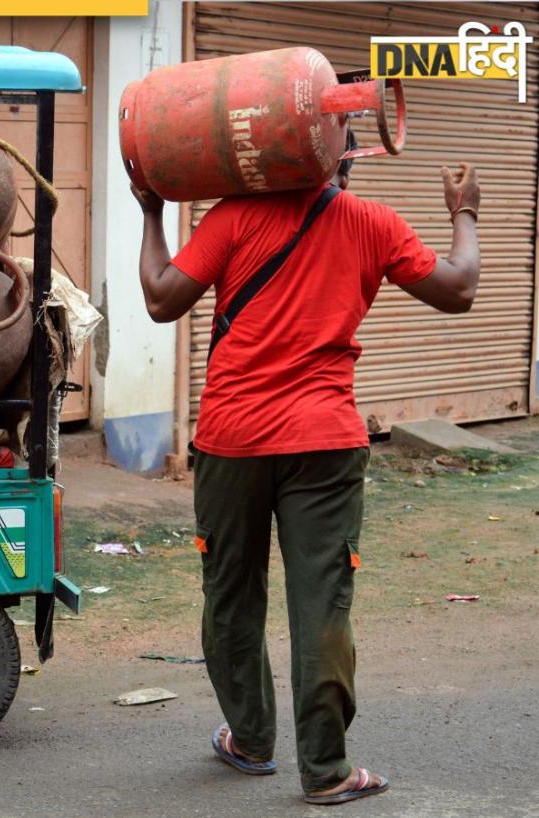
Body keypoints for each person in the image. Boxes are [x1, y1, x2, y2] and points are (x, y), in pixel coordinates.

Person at [131, 132, 481, 805]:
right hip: (325, 443)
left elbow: (160, 298)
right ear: (339, 161)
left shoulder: (232, 217)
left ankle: (250, 740)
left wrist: (151, 212)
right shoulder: (373, 223)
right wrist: (463, 210)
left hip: (232, 441)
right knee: (322, 602)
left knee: (231, 595)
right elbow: (460, 288)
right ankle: (325, 770)